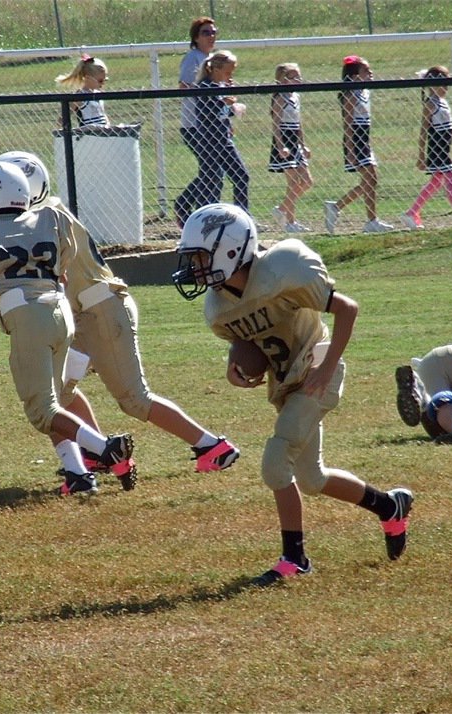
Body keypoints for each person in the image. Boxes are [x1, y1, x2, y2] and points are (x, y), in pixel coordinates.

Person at [172, 203, 413, 586]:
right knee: (313, 479)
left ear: (232, 249)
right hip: (285, 384)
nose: (195, 267)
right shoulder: (219, 307)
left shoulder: (283, 270)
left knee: (275, 461)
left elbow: (347, 309)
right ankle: (390, 506)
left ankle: (294, 558)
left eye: (201, 257)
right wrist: (235, 371)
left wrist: (328, 367)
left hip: (316, 371)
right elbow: (250, 347)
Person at [0, 150, 240, 488]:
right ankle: (97, 454)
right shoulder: (45, 213)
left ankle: (212, 446)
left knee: (134, 399)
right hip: (84, 314)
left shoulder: (45, 217)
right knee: (56, 393)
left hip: (100, 313)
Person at [0, 161, 136, 496]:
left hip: (27, 317)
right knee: (55, 400)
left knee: (42, 411)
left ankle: (104, 447)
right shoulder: (48, 218)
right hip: (60, 311)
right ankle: (78, 474)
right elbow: (64, 272)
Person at [402, 66, 452, 230]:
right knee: (450, 182)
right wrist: (421, 155)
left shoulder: (443, 103)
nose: (446, 87)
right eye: (443, 83)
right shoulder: (431, 104)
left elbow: (450, 128)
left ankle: (411, 213)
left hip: (444, 148)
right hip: (437, 149)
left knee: (435, 182)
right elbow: (424, 130)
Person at [323, 56, 395, 234]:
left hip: (364, 138)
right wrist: (350, 149)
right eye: (366, 71)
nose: (371, 73)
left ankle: (343, 209)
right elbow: (347, 123)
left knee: (371, 180)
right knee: (370, 179)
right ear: (355, 76)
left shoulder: (365, 91)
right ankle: (364, 218)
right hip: (355, 139)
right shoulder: (351, 94)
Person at [183, 51, 249, 217]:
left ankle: (242, 215)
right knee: (210, 181)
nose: (230, 75)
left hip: (224, 139)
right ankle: (203, 216)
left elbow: (223, 114)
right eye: (228, 71)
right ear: (216, 69)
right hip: (208, 141)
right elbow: (206, 112)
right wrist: (227, 104)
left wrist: (230, 106)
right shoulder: (204, 86)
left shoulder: (220, 86)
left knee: (241, 176)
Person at [174, 15, 220, 226]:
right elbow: (184, 86)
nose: (211, 36)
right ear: (196, 37)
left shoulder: (213, 59)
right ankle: (196, 210)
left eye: (213, 32)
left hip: (212, 124)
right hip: (195, 124)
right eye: (206, 33)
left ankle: (190, 206)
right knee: (212, 169)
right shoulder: (193, 58)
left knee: (213, 169)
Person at [268, 63, 314, 233]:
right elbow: (276, 125)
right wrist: (280, 146)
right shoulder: (280, 97)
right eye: (293, 76)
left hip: (295, 140)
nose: (297, 79)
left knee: (307, 181)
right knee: (293, 182)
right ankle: (290, 222)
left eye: (298, 76)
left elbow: (298, 123)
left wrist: (303, 145)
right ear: (282, 80)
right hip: (284, 140)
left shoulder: (295, 96)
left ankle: (282, 209)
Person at [55, 54, 110, 127]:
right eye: (100, 81)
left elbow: (103, 114)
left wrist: (108, 125)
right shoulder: (80, 96)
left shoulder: (98, 94)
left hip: (104, 132)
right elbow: (61, 120)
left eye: (105, 80)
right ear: (87, 78)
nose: (103, 84)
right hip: (89, 134)